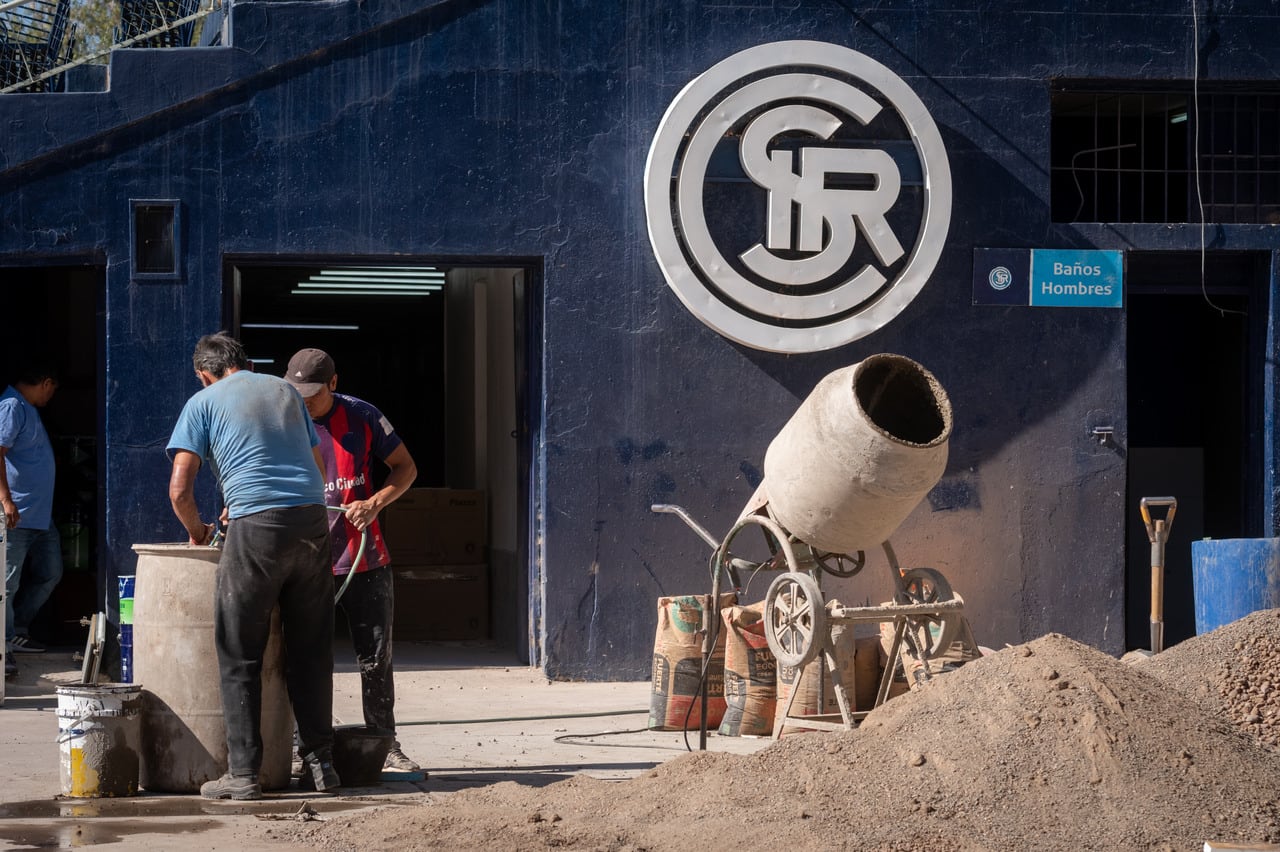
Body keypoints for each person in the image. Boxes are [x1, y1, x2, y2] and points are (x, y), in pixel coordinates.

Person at [167, 332, 340, 800]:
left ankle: (243, 776)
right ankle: (322, 767)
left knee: (239, 650)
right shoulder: (284, 390)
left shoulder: (202, 402)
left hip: (257, 530)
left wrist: (201, 530)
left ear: (205, 374)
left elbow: (180, 491)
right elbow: (316, 466)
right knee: (310, 649)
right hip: (311, 522)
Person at [283, 348, 422, 773]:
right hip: (304, 561)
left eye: (314, 393)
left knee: (375, 658)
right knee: (304, 658)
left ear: (334, 384)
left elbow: (405, 468)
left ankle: (385, 743)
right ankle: (302, 745)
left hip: (364, 559)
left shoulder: (362, 416)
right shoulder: (280, 420)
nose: (305, 401)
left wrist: (375, 502)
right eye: (298, 392)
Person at [1, 361, 63, 677]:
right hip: (17, 515)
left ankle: (16, 630)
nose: (52, 395)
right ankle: (4, 643)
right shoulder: (12, 406)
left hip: (40, 516)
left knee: (50, 573)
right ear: (46, 382)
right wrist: (6, 500)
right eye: (53, 389)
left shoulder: (25, 407)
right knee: (6, 583)